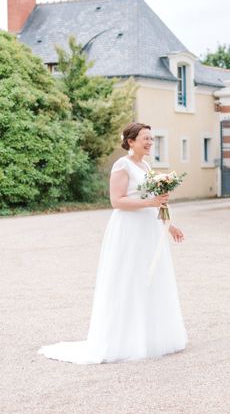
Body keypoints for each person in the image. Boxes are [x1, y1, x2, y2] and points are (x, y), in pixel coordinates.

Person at [39, 123, 187, 364]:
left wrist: (170, 225)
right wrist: (149, 204)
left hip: (148, 228)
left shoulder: (147, 166)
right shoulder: (122, 165)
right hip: (128, 229)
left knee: (149, 280)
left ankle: (150, 337)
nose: (150, 142)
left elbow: (154, 200)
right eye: (145, 138)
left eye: (151, 138)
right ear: (131, 141)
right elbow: (116, 201)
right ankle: (124, 340)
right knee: (128, 278)